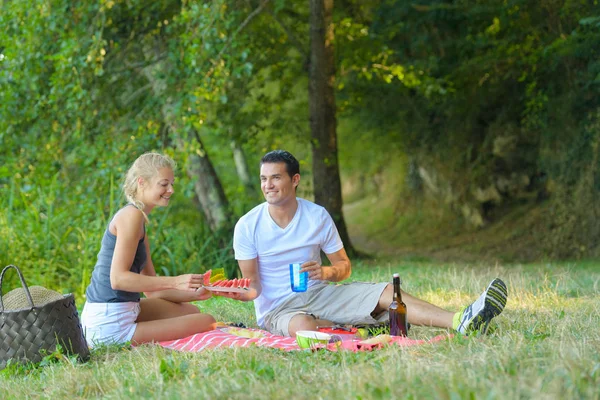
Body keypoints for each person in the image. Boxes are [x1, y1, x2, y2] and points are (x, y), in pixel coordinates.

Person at [227, 150, 507, 337]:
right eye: (264, 179)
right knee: (305, 328)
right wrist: (232, 292)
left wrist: (325, 273)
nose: (268, 185)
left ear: (295, 179)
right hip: (280, 309)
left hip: (320, 294)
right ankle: (350, 323)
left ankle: (461, 321)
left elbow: (344, 267)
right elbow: (253, 288)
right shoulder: (248, 226)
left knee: (386, 292)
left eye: (276, 177)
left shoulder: (316, 216)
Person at [81, 152, 216, 347]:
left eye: (172, 184)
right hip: (108, 323)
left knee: (192, 311)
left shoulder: (139, 219)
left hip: (122, 310)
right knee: (208, 321)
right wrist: (176, 281)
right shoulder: (131, 216)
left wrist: (195, 293)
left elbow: (152, 292)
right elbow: (118, 279)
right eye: (164, 184)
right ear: (142, 182)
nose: (170, 190)